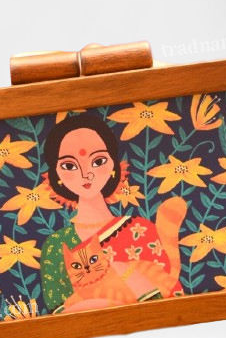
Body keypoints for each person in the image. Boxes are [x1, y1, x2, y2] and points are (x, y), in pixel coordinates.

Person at [40, 113, 183, 313]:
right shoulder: (56, 246)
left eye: (98, 161)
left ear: (113, 165)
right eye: (69, 166)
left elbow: (168, 296)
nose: (86, 174)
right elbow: (58, 314)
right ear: (56, 175)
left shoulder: (139, 230)